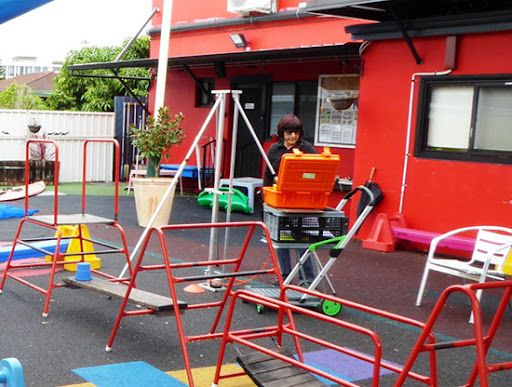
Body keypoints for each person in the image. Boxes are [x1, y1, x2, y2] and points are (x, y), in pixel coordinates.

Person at [263, 114, 317, 285]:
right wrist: (264, 200)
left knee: (302, 240)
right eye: (289, 132)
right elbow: (267, 175)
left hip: (302, 202)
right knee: (281, 241)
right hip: (279, 201)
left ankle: (307, 279)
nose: (293, 136)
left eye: (296, 132)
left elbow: (315, 173)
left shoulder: (307, 149)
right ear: (282, 132)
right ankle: (284, 277)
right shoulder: (274, 150)